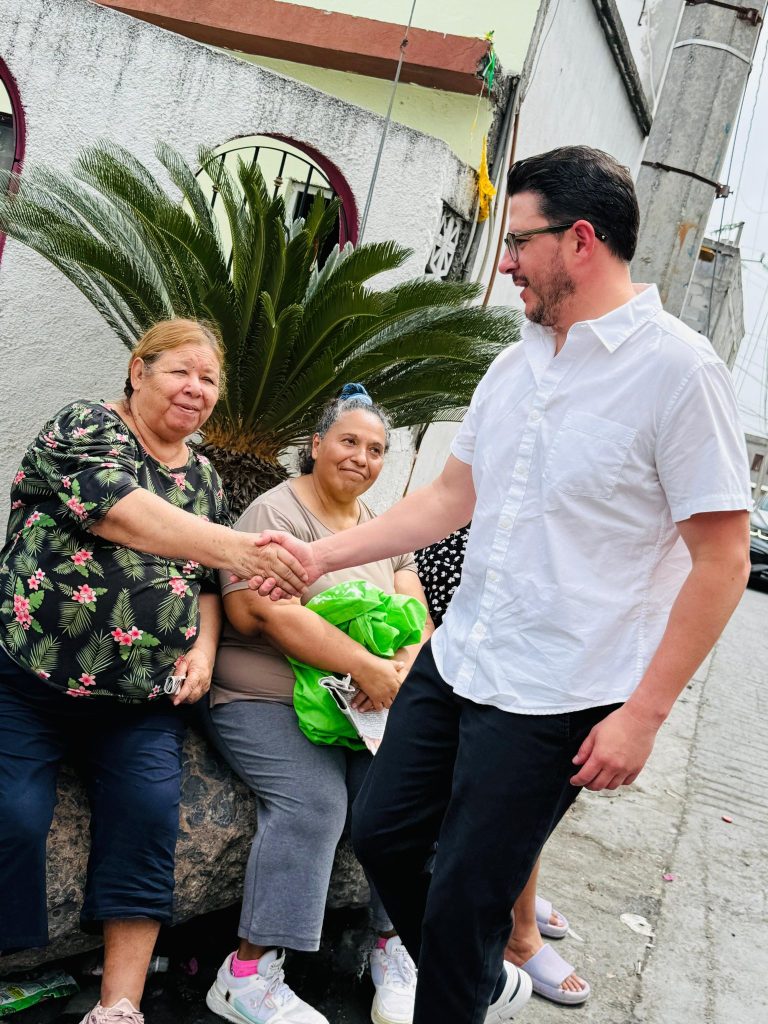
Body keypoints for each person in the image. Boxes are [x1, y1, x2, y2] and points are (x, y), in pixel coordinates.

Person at [255, 146, 753, 1023]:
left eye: (520, 241)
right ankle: (478, 978)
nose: (507, 262)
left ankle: (464, 983)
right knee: (383, 834)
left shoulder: (680, 372)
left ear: (581, 240)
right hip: (460, 658)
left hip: (558, 692)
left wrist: (643, 716)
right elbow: (452, 498)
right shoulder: (516, 362)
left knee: (466, 901)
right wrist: (320, 557)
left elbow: (722, 560)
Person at [0, 319, 306, 1024]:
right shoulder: (84, 428)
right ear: (138, 370)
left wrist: (203, 651)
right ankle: (15, 962)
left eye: (209, 379)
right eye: (180, 371)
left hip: (139, 699)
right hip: (31, 682)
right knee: (13, 814)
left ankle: (119, 1007)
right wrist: (244, 550)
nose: (195, 388)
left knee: (146, 815)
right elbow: (122, 513)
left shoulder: (203, 477)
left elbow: (203, 584)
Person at [205, 385, 434, 1024]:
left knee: (406, 795)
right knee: (314, 802)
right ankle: (245, 977)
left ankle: (395, 946)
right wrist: (365, 665)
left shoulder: (381, 528)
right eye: (348, 441)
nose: (361, 457)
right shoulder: (274, 513)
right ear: (316, 445)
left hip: (359, 698)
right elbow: (263, 614)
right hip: (266, 694)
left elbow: (414, 608)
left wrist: (400, 667)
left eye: (376, 449)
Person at [415, 531, 589, 1005]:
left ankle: (515, 919)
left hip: (528, 644)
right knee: (500, 807)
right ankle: (511, 931)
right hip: (471, 637)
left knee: (519, 807)